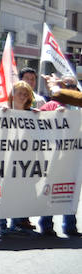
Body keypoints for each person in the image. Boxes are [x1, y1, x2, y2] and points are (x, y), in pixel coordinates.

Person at [37, 74, 81, 237]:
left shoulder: (79, 107)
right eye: (65, 85)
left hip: (74, 157)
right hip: (53, 157)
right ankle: (46, 224)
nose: (68, 88)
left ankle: (70, 227)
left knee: (71, 192)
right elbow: (37, 125)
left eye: (71, 86)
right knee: (51, 191)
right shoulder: (51, 104)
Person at [0, 81, 37, 236]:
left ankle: (16, 224)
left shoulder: (33, 114)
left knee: (20, 193)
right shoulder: (3, 111)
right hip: (5, 161)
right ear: (12, 94)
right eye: (20, 93)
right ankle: (2, 224)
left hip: (24, 162)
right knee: (4, 193)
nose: (23, 97)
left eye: (26, 94)